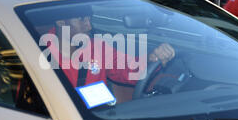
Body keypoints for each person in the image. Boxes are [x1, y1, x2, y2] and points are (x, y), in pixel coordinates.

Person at [45, 15, 176, 90]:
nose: (89, 26)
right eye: (81, 20)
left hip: (98, 118)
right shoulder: (37, 53)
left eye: (89, 20)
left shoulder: (96, 47)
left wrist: (151, 58)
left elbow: (128, 69)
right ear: (60, 21)